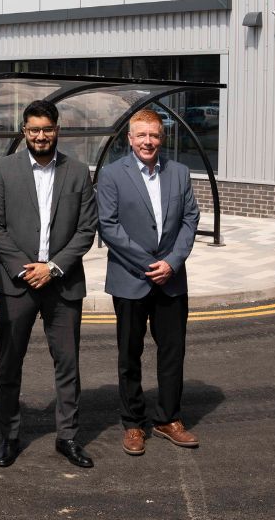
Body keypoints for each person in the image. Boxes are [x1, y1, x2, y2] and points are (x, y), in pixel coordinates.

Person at [0, 99, 98, 469]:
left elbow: (86, 229)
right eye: (34, 129)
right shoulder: (4, 169)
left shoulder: (78, 172)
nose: (41, 136)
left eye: (47, 129)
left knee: (67, 364)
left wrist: (53, 267)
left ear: (57, 130)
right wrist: (23, 267)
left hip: (62, 283)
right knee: (9, 363)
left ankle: (67, 437)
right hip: (17, 284)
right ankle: (9, 436)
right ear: (24, 131)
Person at [96, 107, 201, 456]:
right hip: (130, 278)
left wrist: (171, 263)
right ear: (130, 138)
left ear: (162, 137)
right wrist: (149, 263)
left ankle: (168, 419)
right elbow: (109, 226)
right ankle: (133, 423)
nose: (148, 141)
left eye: (154, 135)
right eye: (141, 135)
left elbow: (190, 219)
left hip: (171, 280)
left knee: (173, 352)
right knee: (130, 353)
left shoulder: (180, 173)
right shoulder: (112, 175)